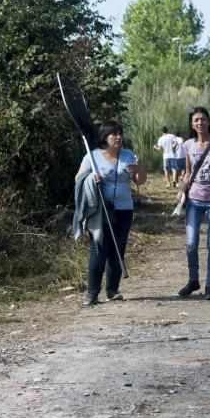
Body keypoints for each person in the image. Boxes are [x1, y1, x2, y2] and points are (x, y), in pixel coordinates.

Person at [75, 120, 147, 305]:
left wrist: (140, 170)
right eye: (114, 134)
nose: (118, 137)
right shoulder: (92, 157)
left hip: (124, 209)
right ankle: (91, 293)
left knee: (118, 249)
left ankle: (112, 290)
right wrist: (91, 177)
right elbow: (78, 178)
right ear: (104, 137)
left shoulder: (128, 156)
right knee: (99, 250)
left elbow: (139, 181)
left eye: (120, 133)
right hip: (101, 210)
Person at [176, 106, 210, 301]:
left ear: (208, 121)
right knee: (191, 244)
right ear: (191, 124)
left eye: (203, 119)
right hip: (194, 200)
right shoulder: (188, 145)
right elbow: (188, 173)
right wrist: (181, 190)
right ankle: (193, 280)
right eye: (196, 120)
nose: (200, 122)